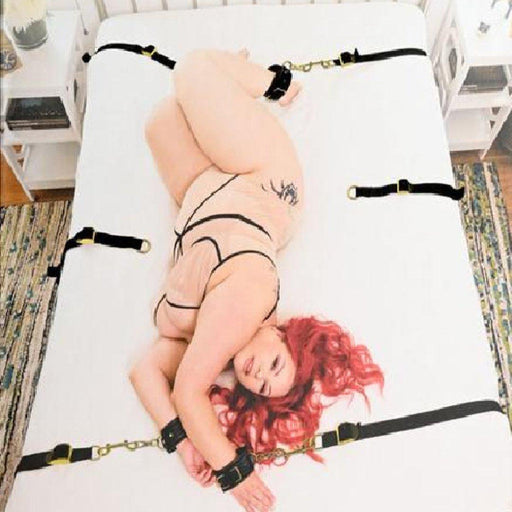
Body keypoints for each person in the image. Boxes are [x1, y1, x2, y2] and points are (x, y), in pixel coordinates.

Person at [129, 48, 383, 512]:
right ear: (280, 335)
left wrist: (182, 442)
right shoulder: (249, 300)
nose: (256, 374)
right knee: (192, 70)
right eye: (275, 365)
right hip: (262, 181)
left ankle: (226, 83)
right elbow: (187, 392)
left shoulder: (215, 346)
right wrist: (234, 472)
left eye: (261, 385)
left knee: (161, 121)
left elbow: (145, 372)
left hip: (204, 195)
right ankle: (273, 82)